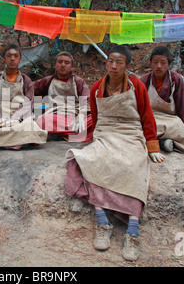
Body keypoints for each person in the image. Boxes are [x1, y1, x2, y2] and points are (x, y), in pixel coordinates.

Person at [64, 45, 165, 262]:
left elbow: (147, 116)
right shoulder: (97, 88)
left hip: (130, 134)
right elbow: (98, 120)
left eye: (119, 62)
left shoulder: (136, 85)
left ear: (127, 66)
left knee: (134, 165)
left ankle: (133, 229)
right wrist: (96, 141)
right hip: (107, 133)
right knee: (90, 161)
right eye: (110, 61)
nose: (114, 66)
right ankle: (102, 221)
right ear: (106, 63)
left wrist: (151, 145)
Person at [140, 46, 184, 153]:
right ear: (151, 63)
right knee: (139, 128)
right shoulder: (144, 80)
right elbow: (137, 105)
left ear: (169, 64)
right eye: (155, 62)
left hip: (170, 119)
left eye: (163, 63)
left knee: (178, 128)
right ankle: (165, 141)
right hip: (150, 117)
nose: (159, 66)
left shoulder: (176, 79)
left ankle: (161, 141)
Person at [33, 51, 93, 142]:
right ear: (54, 64)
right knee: (43, 120)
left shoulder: (78, 82)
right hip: (55, 117)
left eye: (67, 63)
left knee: (95, 119)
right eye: (60, 62)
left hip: (74, 118)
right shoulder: (48, 81)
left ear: (72, 66)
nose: (63, 65)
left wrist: (81, 116)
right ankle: (69, 135)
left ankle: (60, 134)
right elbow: (29, 88)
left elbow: (87, 100)